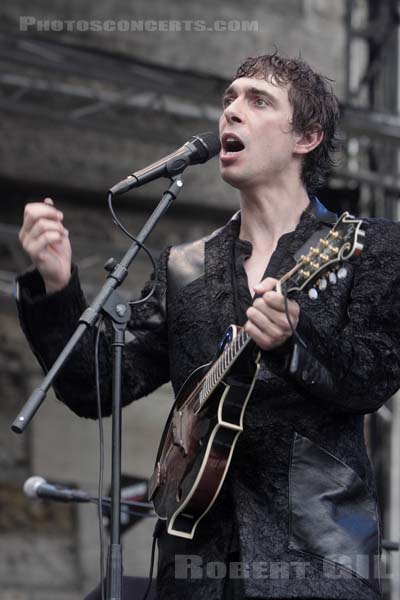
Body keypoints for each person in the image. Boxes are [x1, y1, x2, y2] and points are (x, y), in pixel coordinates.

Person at [16, 52, 400, 600]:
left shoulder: (368, 247)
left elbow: (371, 379)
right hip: (194, 562)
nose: (231, 113)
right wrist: (55, 287)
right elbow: (92, 386)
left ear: (307, 137)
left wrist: (297, 343)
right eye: (229, 99)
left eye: (258, 100)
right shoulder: (185, 267)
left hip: (316, 560)